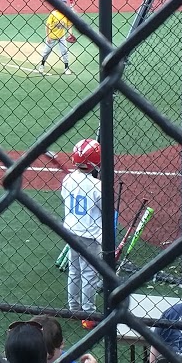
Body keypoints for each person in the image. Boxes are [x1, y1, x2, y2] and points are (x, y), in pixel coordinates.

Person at [61, 138, 102, 326]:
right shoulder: (97, 186)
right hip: (90, 235)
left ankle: (73, 308)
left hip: (70, 231)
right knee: (89, 273)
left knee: (74, 270)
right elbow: (104, 209)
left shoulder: (68, 179)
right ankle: (89, 312)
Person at [39, 8, 73, 76]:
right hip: (52, 36)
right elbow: (47, 25)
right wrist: (48, 36)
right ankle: (42, 65)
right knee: (46, 51)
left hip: (61, 36)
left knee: (65, 51)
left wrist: (70, 35)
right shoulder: (53, 14)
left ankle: (66, 68)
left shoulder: (66, 14)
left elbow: (69, 26)